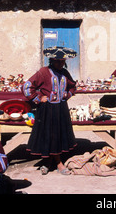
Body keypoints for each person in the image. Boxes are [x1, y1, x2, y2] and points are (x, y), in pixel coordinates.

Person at [22, 47, 77, 175]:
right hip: (47, 110)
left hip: (60, 109)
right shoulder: (43, 72)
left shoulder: (65, 73)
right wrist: (39, 98)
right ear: (51, 60)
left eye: (62, 61)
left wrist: (66, 95)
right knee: (49, 136)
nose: (60, 64)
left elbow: (73, 86)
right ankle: (50, 162)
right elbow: (27, 86)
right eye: (57, 61)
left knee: (57, 135)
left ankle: (56, 163)